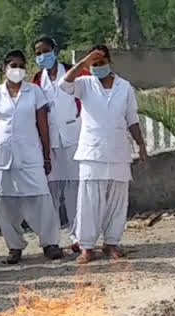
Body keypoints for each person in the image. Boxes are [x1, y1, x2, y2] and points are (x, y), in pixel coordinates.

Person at [59, 45, 148, 264]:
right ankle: (87, 247)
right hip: (92, 151)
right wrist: (84, 62)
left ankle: (112, 243)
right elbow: (64, 84)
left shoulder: (124, 87)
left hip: (119, 150)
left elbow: (132, 118)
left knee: (118, 200)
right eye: (94, 64)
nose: (98, 68)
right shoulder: (85, 84)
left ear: (110, 61)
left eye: (101, 63)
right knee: (89, 201)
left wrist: (141, 145)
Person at [0, 50, 63, 264]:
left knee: (40, 198)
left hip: (30, 154)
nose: (16, 70)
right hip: (1, 155)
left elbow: (42, 126)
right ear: (5, 68)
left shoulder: (35, 92)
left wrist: (46, 155)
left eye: (20, 65)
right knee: (5, 202)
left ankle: (50, 242)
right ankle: (14, 246)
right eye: (12, 65)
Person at [32, 36, 84, 252]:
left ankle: (77, 237)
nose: (42, 56)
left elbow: (83, 99)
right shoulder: (37, 80)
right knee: (51, 192)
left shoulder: (73, 73)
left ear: (55, 50)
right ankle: (51, 241)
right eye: (38, 53)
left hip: (73, 135)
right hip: (49, 141)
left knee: (74, 190)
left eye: (46, 51)